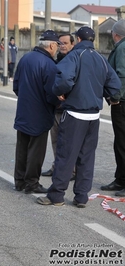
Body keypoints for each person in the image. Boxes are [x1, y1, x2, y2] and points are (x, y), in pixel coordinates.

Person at [37, 26, 121, 207]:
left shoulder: (76, 56)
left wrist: (61, 92)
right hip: (93, 116)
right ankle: (81, 197)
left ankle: (56, 196)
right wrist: (106, 95)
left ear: (79, 39)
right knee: (87, 157)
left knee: (65, 156)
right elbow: (115, 85)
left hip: (75, 113)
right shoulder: (100, 58)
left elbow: (64, 79)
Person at [13, 30, 61, 194]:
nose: (57, 50)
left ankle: (19, 181)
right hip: (40, 114)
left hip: (23, 112)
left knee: (22, 148)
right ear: (52, 45)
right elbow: (52, 94)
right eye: (57, 46)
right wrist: (57, 104)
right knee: (36, 151)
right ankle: (32, 183)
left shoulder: (25, 58)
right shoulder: (49, 65)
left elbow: (16, 86)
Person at [41, 33, 76, 180]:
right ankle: (57, 167)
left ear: (72, 44)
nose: (62, 45)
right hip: (56, 108)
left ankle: (72, 170)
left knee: (69, 141)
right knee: (55, 140)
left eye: (65, 43)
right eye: (60, 43)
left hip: (70, 109)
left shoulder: (75, 60)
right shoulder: (55, 60)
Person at [101, 19, 125, 196]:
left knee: (122, 143)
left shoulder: (122, 48)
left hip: (122, 102)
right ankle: (120, 179)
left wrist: (115, 98)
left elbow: (121, 75)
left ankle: (123, 181)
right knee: (120, 143)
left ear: (116, 34)